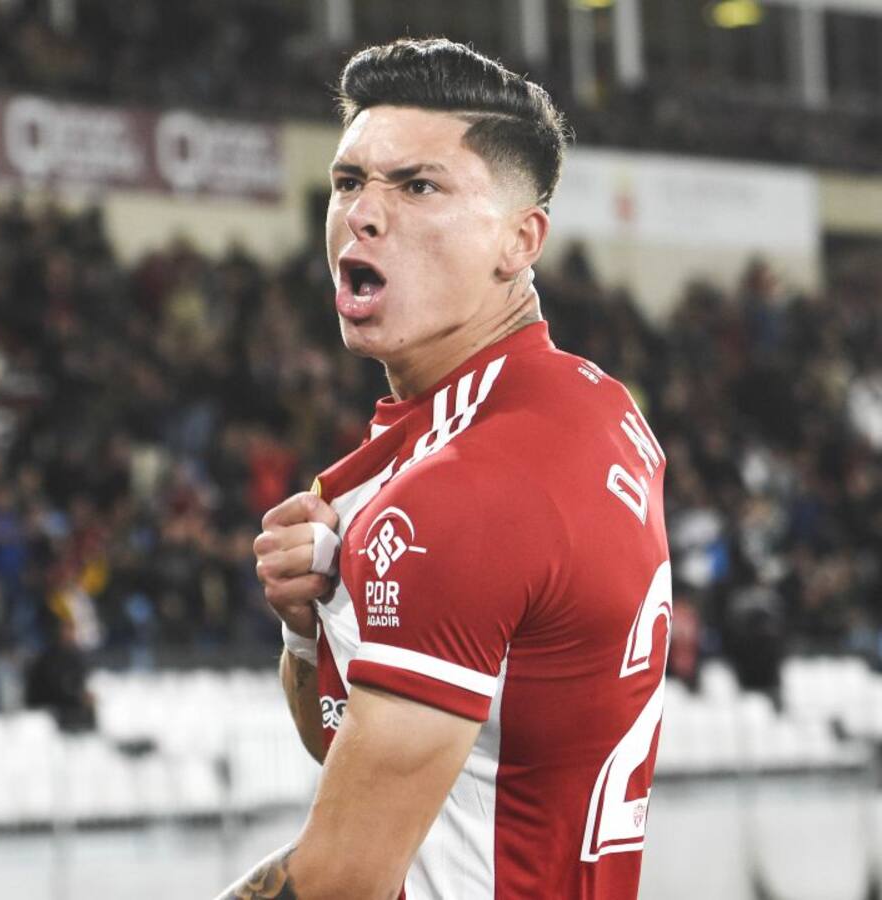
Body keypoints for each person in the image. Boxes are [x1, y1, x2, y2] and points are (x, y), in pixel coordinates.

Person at [221, 38, 671, 900]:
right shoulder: (593, 406)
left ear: (519, 240)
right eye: (348, 181)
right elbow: (360, 748)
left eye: (418, 186)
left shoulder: (466, 489)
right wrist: (308, 629)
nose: (363, 213)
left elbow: (340, 880)